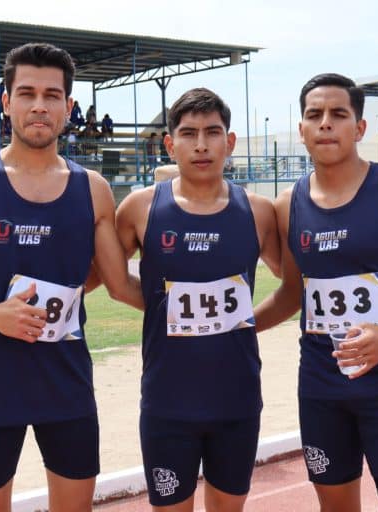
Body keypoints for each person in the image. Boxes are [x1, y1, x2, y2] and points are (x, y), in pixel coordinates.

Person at [0, 42, 143, 512]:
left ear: (69, 107)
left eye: (53, 95)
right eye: (27, 93)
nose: (40, 105)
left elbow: (113, 282)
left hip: (68, 388)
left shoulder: (93, 189)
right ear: (6, 102)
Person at [254, 73, 378, 512]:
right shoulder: (289, 204)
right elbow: (292, 292)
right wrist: (239, 328)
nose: (325, 124)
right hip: (321, 391)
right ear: (301, 129)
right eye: (314, 115)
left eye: (338, 114)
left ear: (359, 128)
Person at [115, 88, 280, 511]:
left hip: (237, 401)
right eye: (188, 133)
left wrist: (245, 320)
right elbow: (114, 282)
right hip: (168, 402)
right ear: (170, 144)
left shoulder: (258, 211)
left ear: (230, 141)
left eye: (212, 132)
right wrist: (162, 306)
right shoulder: (139, 208)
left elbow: (295, 286)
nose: (202, 144)